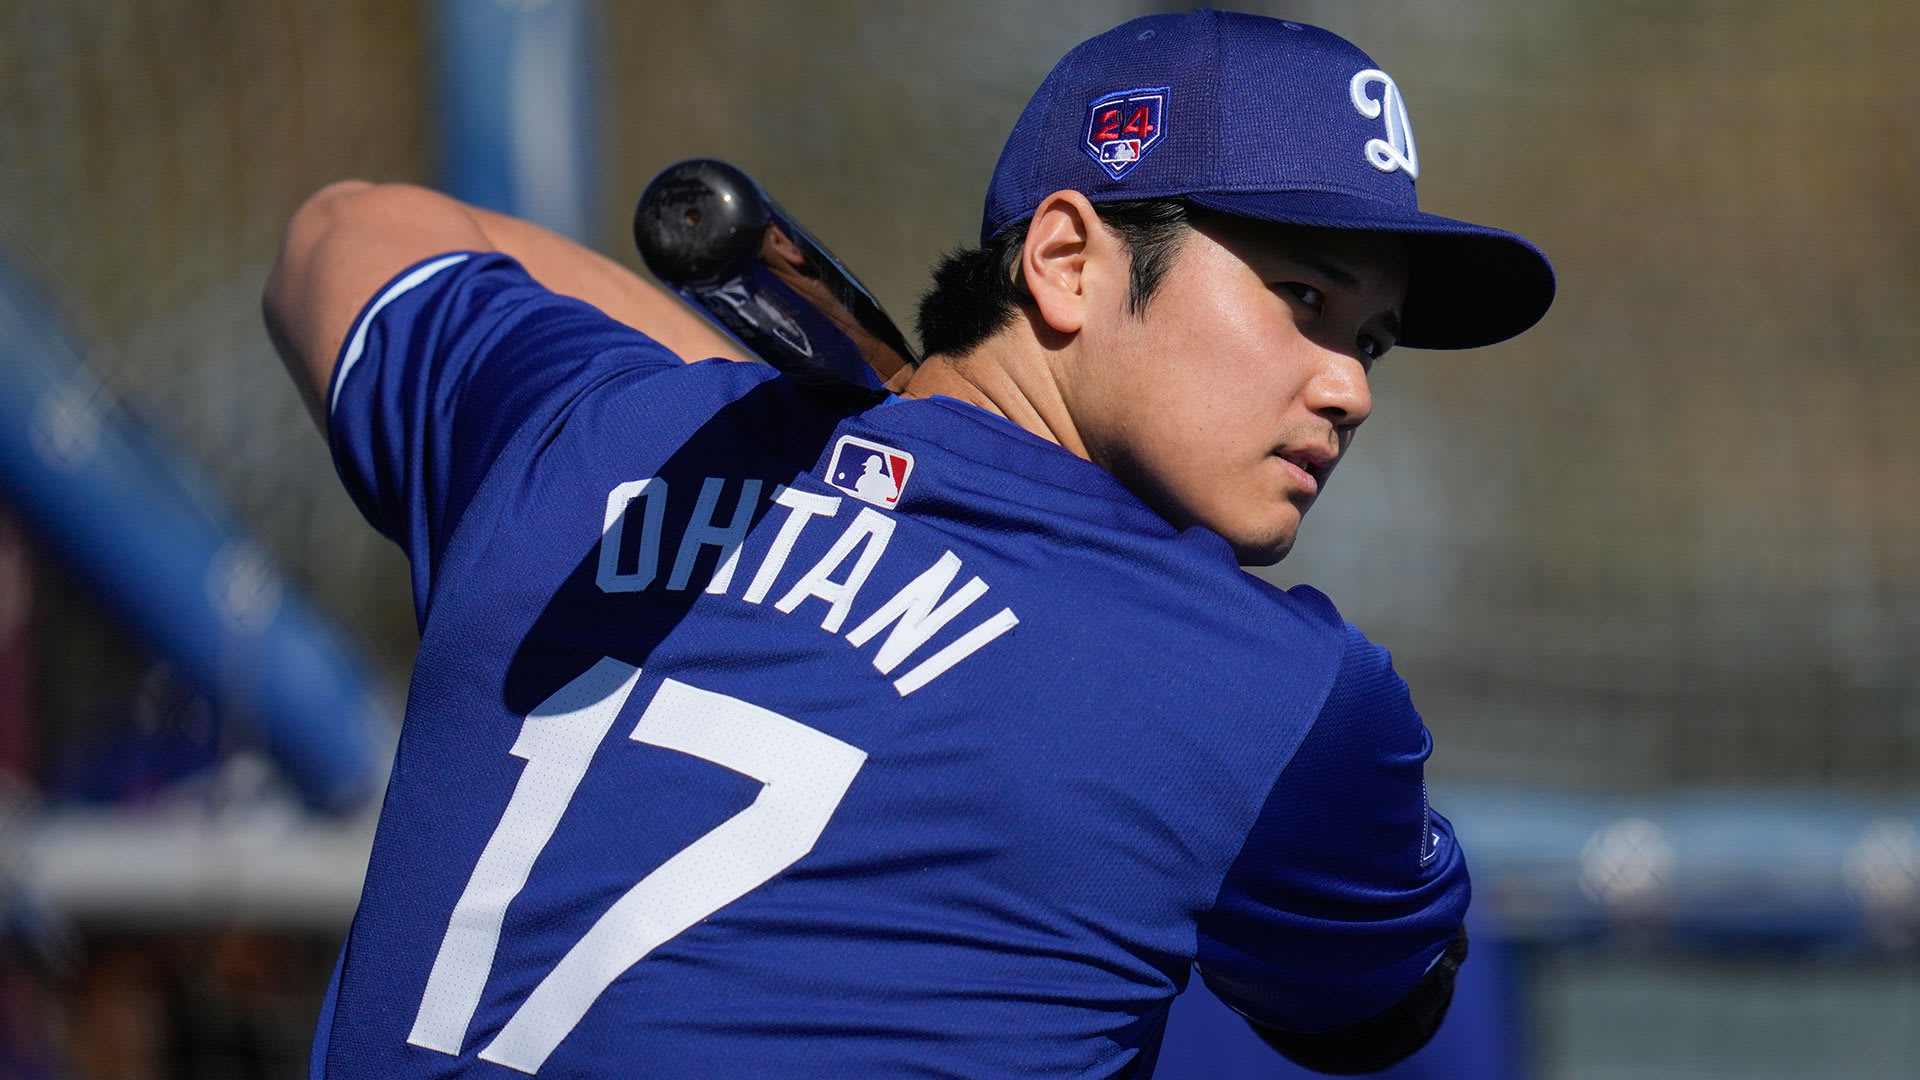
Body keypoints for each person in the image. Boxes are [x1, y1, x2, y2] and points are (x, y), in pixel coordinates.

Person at [264, 10, 1552, 1078]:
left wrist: (746, 406)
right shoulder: (1275, 691)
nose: (1348, 389)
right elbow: (1373, 1013)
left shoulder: (589, 438)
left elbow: (348, 229)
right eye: (1303, 298)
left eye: (1367, 341)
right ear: (1065, 258)